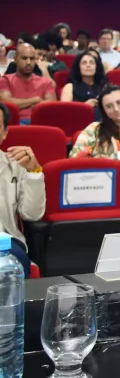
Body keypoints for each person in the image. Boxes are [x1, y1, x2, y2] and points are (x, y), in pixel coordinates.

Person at [0, 103, 45, 273]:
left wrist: (33, 172)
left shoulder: (16, 165)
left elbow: (32, 214)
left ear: (4, 134)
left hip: (4, 244)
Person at [0, 44, 56, 122]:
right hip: (14, 123)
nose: (28, 62)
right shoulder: (5, 80)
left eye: (32, 58)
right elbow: (7, 104)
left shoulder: (46, 82)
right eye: (24, 58)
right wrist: (35, 100)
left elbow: (51, 105)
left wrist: (20, 104)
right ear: (15, 59)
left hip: (40, 123)